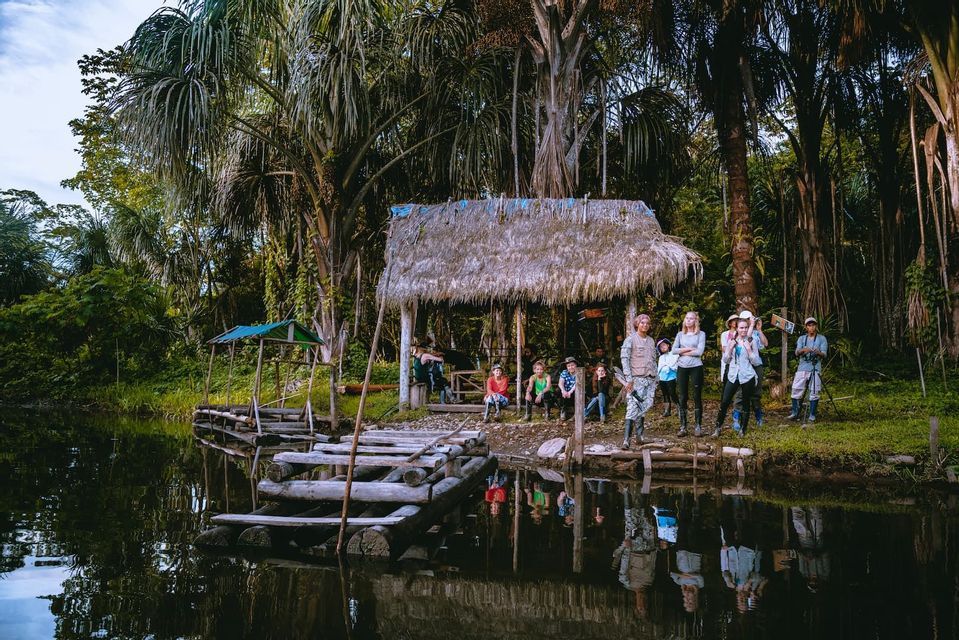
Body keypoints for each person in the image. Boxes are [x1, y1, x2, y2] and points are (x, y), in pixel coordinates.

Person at [611, 485, 659, 619]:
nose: (642, 604)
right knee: (643, 518)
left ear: (636, 605)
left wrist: (627, 545)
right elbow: (652, 563)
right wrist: (654, 545)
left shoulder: (626, 582)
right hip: (647, 546)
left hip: (633, 547)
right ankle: (643, 485)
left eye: (640, 607)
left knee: (631, 520)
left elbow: (624, 564)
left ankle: (626, 489)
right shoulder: (649, 582)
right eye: (644, 607)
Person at [712, 318, 762, 437]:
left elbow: (756, 362)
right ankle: (718, 428)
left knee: (745, 403)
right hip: (733, 376)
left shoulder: (752, 341)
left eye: (746, 327)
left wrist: (749, 350)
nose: (744, 330)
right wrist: (729, 348)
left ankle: (742, 430)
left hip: (747, 376)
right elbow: (726, 360)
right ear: (737, 328)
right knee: (724, 402)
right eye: (741, 327)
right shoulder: (731, 341)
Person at [619, 314, 658, 448]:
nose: (645, 325)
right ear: (637, 324)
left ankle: (640, 437)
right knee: (632, 407)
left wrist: (656, 377)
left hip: (650, 379)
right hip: (636, 379)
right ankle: (626, 440)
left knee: (644, 406)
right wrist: (628, 379)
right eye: (642, 323)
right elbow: (624, 359)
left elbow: (653, 360)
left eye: (647, 323)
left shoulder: (651, 341)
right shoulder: (630, 340)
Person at [672, 311, 707, 438]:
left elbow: (700, 352)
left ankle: (698, 426)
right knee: (682, 396)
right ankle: (683, 427)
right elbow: (674, 350)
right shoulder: (680, 334)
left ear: (695, 321)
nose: (688, 320)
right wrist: (689, 349)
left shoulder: (701, 334)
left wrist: (682, 351)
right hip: (682, 367)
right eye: (687, 318)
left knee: (697, 396)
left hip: (696, 367)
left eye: (691, 318)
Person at [733, 312, 769, 431]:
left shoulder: (755, 333)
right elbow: (745, 338)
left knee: (756, 393)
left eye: (749, 319)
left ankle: (759, 417)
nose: (748, 320)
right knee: (740, 392)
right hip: (743, 366)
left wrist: (759, 329)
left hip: (756, 365)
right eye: (745, 319)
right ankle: (736, 419)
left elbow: (765, 344)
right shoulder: (738, 333)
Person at [789, 317, 828, 422]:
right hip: (803, 367)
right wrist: (803, 350)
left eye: (813, 325)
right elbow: (796, 352)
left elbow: (824, 354)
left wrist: (818, 352)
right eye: (809, 325)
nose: (811, 327)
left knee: (814, 390)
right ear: (806, 327)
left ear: (816, 326)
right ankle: (795, 412)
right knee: (796, 388)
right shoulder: (802, 338)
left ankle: (812, 414)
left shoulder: (822, 338)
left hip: (815, 367)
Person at [657, 338, 679, 419]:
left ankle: (679, 408)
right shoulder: (661, 357)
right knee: (665, 394)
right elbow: (659, 367)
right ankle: (667, 410)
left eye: (664, 345)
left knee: (672, 393)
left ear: (668, 345)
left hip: (671, 377)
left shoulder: (674, 354)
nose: (662, 347)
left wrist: (669, 366)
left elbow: (675, 365)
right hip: (662, 378)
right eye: (660, 347)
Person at [718, 314, 739, 384]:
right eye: (734, 321)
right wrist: (731, 348)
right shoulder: (724, 334)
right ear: (730, 323)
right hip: (727, 360)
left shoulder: (740, 333)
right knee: (726, 381)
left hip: (736, 361)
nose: (735, 322)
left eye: (737, 320)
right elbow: (724, 348)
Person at [557, 356, 578, 421]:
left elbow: (576, 385)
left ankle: (576, 414)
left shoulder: (579, 372)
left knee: (576, 393)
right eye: (568, 366)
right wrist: (564, 391)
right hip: (566, 393)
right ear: (566, 367)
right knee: (559, 391)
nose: (570, 367)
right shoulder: (564, 372)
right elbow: (560, 383)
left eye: (572, 365)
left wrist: (570, 392)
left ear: (575, 365)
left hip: (574, 391)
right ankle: (563, 411)